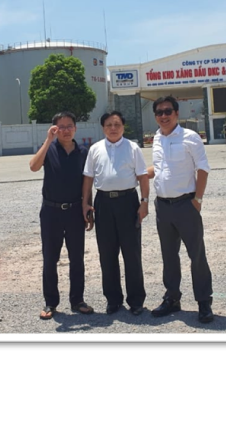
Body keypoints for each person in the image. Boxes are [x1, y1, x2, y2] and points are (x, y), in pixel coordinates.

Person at [147, 96, 214, 323]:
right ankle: (172, 298)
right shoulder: (156, 138)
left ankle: (204, 302)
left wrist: (197, 200)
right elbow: (158, 168)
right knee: (169, 256)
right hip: (163, 206)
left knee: (196, 255)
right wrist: (134, 172)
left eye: (168, 111)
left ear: (176, 113)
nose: (163, 116)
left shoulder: (190, 137)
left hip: (186, 205)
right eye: (159, 112)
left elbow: (203, 169)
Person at [82, 110, 150, 315]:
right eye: (109, 125)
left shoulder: (133, 148)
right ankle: (113, 299)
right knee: (107, 254)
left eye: (117, 124)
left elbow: (143, 177)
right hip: (103, 203)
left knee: (132, 253)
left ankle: (136, 300)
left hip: (128, 202)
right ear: (103, 127)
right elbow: (88, 179)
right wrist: (85, 204)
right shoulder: (95, 149)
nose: (113, 128)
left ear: (123, 127)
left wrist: (144, 202)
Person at [29, 111, 94, 320]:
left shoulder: (84, 152)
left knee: (77, 259)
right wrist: (48, 140)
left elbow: (87, 183)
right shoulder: (49, 150)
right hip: (51, 212)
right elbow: (33, 167)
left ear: (75, 128)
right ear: (54, 129)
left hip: (75, 211)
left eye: (69, 126)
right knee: (50, 259)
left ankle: (77, 300)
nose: (66, 130)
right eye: (61, 126)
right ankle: (50, 302)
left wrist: (87, 207)